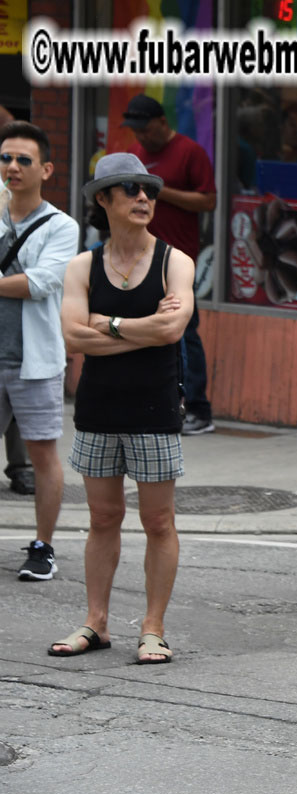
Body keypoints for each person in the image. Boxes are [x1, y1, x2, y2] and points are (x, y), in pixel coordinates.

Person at [51, 153, 194, 664]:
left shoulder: (175, 262)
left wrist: (106, 325)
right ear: (103, 199)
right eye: (130, 188)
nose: (143, 198)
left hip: (155, 408)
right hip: (98, 409)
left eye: (149, 190)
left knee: (158, 521)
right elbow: (72, 335)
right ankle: (96, 622)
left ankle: (153, 628)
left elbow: (172, 330)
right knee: (103, 517)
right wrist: (139, 330)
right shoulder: (82, 266)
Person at [1, 121, 80, 581]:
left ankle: (43, 546)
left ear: (45, 169)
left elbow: (41, 283)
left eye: (23, 160)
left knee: (43, 457)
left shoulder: (61, 226)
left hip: (36, 363)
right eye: (6, 159)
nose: (12, 167)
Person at [123, 94, 217, 436]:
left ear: (162, 122)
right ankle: (152, 401)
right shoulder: (135, 155)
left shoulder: (190, 152)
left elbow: (208, 200)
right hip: (139, 257)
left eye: (145, 129)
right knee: (142, 328)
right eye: (136, 131)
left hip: (179, 259)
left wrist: (162, 191)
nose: (142, 137)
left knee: (184, 331)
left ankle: (199, 409)